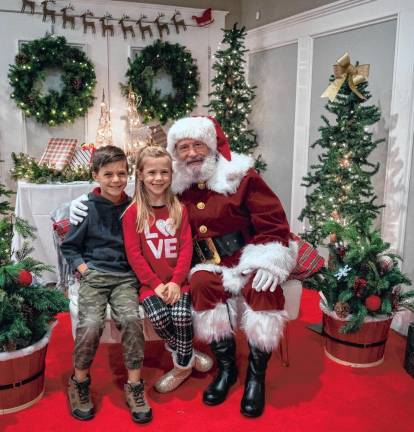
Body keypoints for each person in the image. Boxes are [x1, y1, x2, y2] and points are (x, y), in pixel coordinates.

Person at [166, 116, 297, 417]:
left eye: (197, 144)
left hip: (247, 255)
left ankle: (256, 376)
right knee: (201, 284)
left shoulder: (241, 177)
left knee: (262, 287)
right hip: (206, 262)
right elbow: (142, 196)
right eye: (183, 147)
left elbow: (274, 221)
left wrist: (269, 259)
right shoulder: (177, 185)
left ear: (211, 145)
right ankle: (227, 369)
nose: (191, 153)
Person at [61, 145, 152, 424]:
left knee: (131, 321)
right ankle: (79, 381)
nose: (116, 180)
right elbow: (70, 246)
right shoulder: (86, 207)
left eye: (122, 173)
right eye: (108, 174)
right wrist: (84, 269)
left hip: (125, 278)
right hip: (95, 278)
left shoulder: (134, 206)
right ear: (96, 175)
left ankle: (135, 385)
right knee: (90, 326)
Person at [121, 145, 213, 393]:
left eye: (164, 172)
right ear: (140, 175)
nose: (158, 178)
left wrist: (175, 282)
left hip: (178, 281)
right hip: (151, 285)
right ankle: (190, 354)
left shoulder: (179, 209)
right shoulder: (133, 214)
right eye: (151, 172)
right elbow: (135, 255)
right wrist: (156, 284)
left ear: (172, 174)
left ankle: (181, 367)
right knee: (160, 319)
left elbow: (186, 250)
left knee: (182, 317)